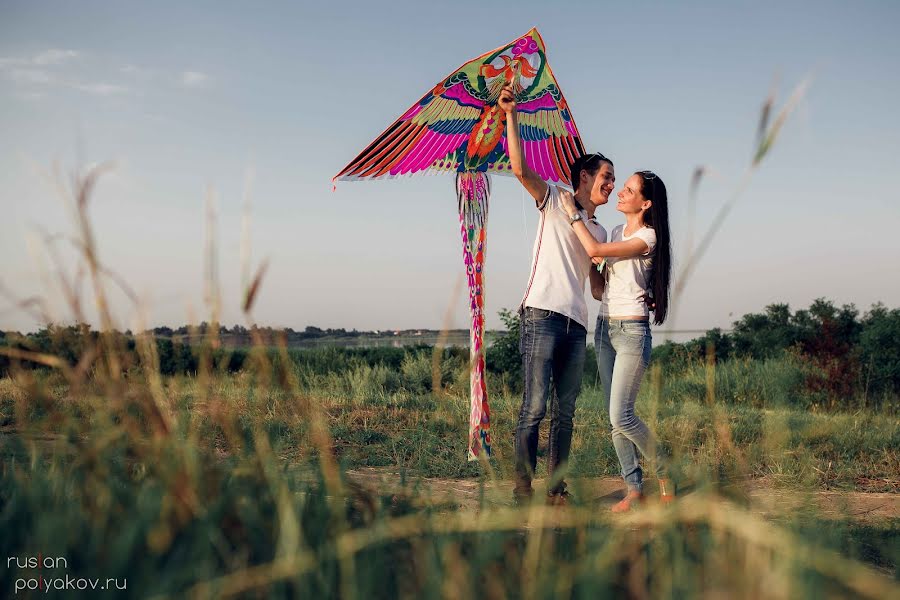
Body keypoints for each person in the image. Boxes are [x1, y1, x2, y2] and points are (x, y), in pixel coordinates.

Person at [498, 84, 615, 505]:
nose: (611, 185)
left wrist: (610, 269)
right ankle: (523, 489)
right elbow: (518, 169)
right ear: (584, 176)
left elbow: (598, 290)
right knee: (533, 408)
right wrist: (511, 115)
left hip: (577, 323)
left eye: (614, 180)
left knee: (566, 413)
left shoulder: (598, 232)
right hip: (542, 314)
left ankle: (557, 487)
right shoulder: (555, 199)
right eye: (606, 177)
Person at [560, 170, 675, 511]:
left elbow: (593, 246)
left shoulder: (649, 236)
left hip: (632, 333)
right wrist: (594, 264)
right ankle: (634, 488)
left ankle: (667, 470)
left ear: (646, 202)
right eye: (622, 187)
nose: (620, 193)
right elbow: (599, 290)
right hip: (605, 329)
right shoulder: (614, 232)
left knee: (621, 416)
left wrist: (572, 215)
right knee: (615, 419)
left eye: (628, 189)